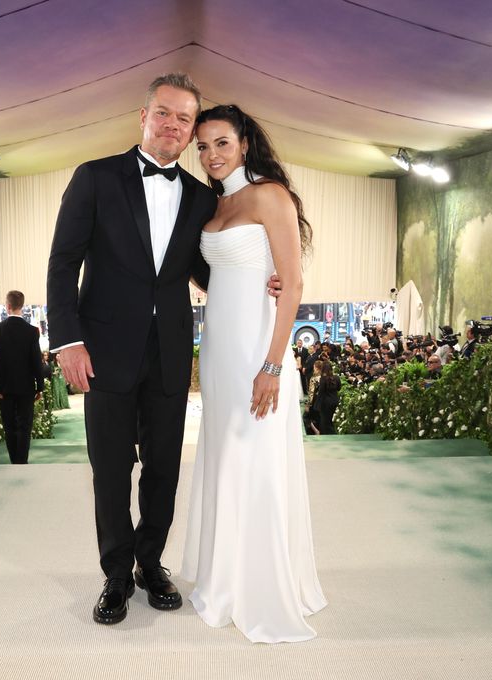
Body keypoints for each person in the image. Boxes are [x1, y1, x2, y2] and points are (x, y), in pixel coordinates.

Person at [46, 73, 219, 626]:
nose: (172, 124)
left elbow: (201, 271)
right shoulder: (94, 178)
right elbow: (62, 263)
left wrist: (257, 282)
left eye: (184, 118)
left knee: (165, 466)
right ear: (141, 116)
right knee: (111, 469)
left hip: (170, 352)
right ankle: (116, 574)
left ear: (192, 131)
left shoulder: (200, 197)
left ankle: (151, 562)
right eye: (163, 113)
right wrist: (68, 339)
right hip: (103, 351)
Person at [181, 103, 326, 644]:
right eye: (202, 146)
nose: (210, 154)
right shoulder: (215, 204)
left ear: (244, 142)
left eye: (220, 142)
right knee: (222, 452)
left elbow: (293, 283)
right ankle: (223, 573)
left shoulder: (269, 194)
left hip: (257, 351)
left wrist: (272, 364)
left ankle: (257, 583)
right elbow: (219, 273)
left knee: (254, 453)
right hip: (218, 347)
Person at [0, 290, 46, 464]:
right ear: (22, 306)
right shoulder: (32, 331)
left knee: (9, 426)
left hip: (3, 387)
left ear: (7, 306)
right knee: (25, 426)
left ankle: (13, 462)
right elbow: (36, 361)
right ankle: (22, 462)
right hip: (26, 387)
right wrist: (40, 386)